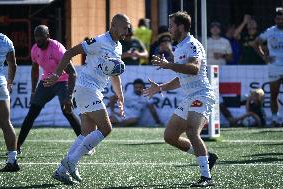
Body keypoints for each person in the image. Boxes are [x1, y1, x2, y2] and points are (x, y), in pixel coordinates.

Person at [44, 14, 131, 184]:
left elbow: (115, 75)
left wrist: (120, 96)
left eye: (128, 28)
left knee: (87, 133)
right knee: (106, 128)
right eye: (125, 27)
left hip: (94, 90)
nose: (127, 32)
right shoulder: (98, 41)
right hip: (85, 88)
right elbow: (69, 53)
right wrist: (56, 74)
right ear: (113, 25)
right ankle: (70, 162)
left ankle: (61, 171)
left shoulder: (118, 46)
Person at [143, 11, 218, 187]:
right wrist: (160, 88)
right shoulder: (179, 48)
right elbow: (180, 78)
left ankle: (206, 177)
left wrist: (168, 65)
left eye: (171, 26)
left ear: (181, 27)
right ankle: (207, 158)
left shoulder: (192, 44)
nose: (169, 29)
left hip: (202, 95)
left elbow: (193, 69)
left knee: (192, 132)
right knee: (170, 137)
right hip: (189, 97)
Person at [16, 25, 81, 154]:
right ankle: (16, 146)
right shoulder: (35, 49)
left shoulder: (57, 49)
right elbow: (34, 70)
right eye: (36, 36)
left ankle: (86, 144)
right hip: (46, 82)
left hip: (63, 81)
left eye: (41, 36)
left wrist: (69, 97)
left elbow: (72, 73)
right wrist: (33, 91)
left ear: (48, 36)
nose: (38, 39)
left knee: (67, 111)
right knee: (32, 113)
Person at [254, 7, 283, 127]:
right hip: (274, 66)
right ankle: (275, 119)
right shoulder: (270, 31)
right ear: (275, 19)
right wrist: (265, 57)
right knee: (274, 94)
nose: (280, 20)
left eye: (282, 19)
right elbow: (256, 43)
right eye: (278, 18)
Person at [0, 33, 20, 172]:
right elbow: (12, 64)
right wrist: (9, 83)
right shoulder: (4, 39)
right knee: (6, 123)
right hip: (0, 83)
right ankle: (12, 160)